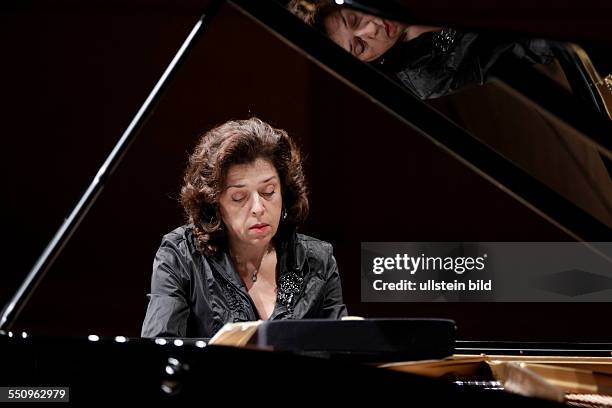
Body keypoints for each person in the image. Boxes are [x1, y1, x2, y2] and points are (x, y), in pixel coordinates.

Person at [141, 118, 347, 338]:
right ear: (214, 203)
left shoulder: (317, 260)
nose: (258, 208)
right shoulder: (181, 255)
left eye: (268, 192)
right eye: (239, 197)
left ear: (284, 193)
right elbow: (158, 352)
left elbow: (343, 352)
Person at [287, 0, 554, 99]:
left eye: (354, 19)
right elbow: (520, 51)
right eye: (359, 47)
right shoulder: (425, 78)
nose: (371, 31)